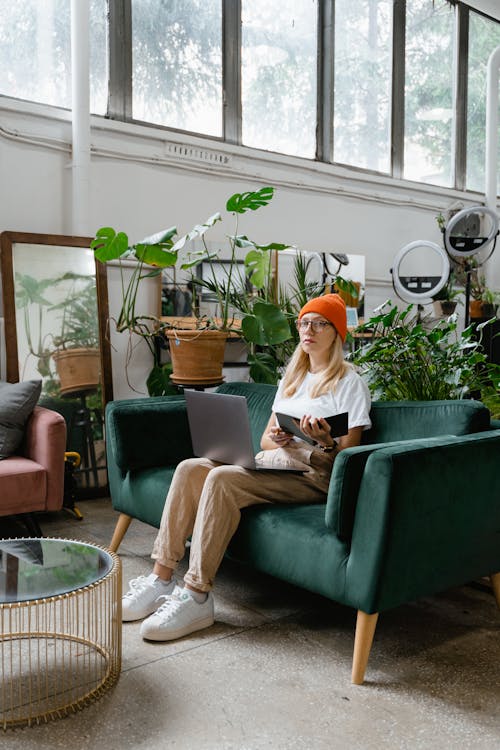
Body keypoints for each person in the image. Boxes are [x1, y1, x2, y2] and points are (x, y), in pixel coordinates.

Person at [122, 293, 372, 641]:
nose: (308, 330)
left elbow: (350, 453)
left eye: (319, 323)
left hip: (317, 474)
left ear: (336, 333)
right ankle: (160, 579)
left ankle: (196, 595)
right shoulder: (293, 379)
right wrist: (280, 436)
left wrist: (325, 440)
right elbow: (267, 441)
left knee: (222, 479)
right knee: (190, 468)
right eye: (304, 322)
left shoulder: (350, 383)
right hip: (276, 461)